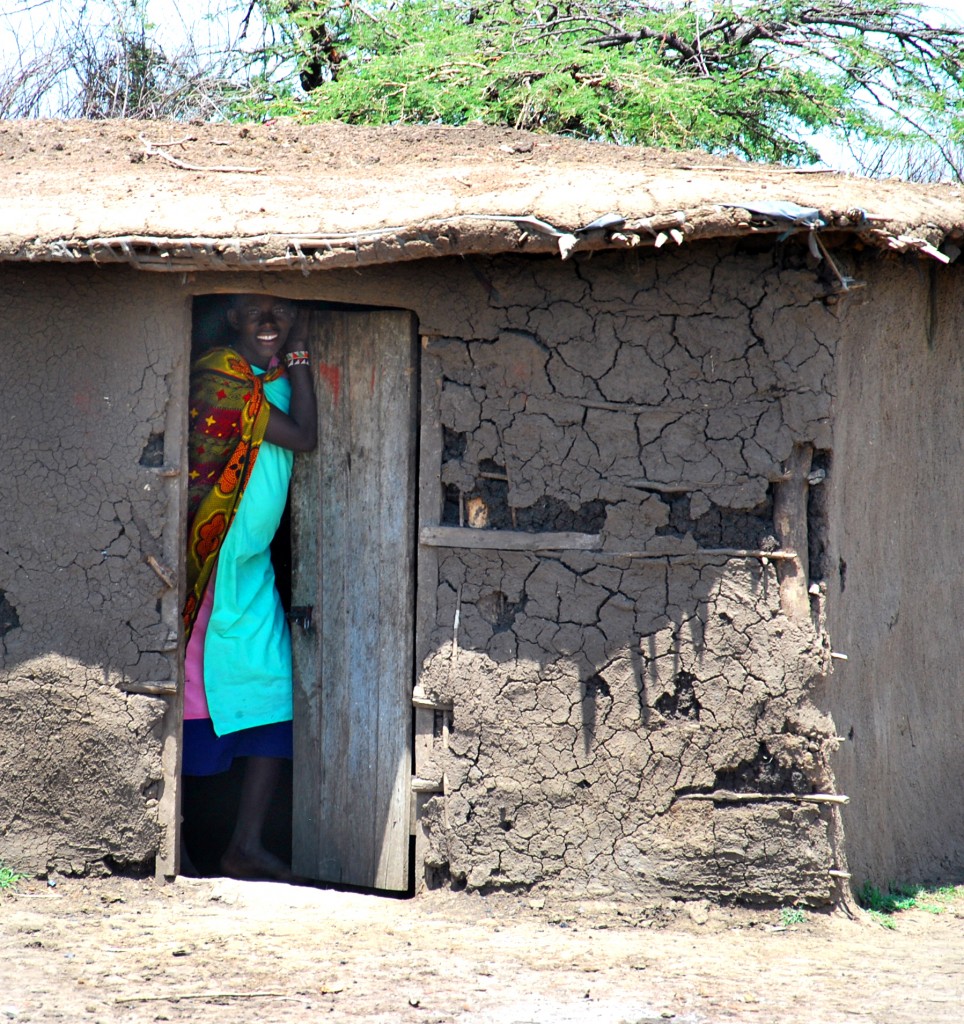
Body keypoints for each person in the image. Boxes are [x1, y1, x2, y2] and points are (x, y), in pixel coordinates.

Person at [182, 293, 317, 880]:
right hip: (209, 562)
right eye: (256, 312)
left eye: (281, 313)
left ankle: (244, 845)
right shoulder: (222, 378)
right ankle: (175, 844)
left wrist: (294, 366)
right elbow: (304, 437)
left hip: (251, 565)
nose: (269, 323)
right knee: (189, 695)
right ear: (232, 317)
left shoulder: (272, 379)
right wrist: (304, 359)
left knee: (273, 689)